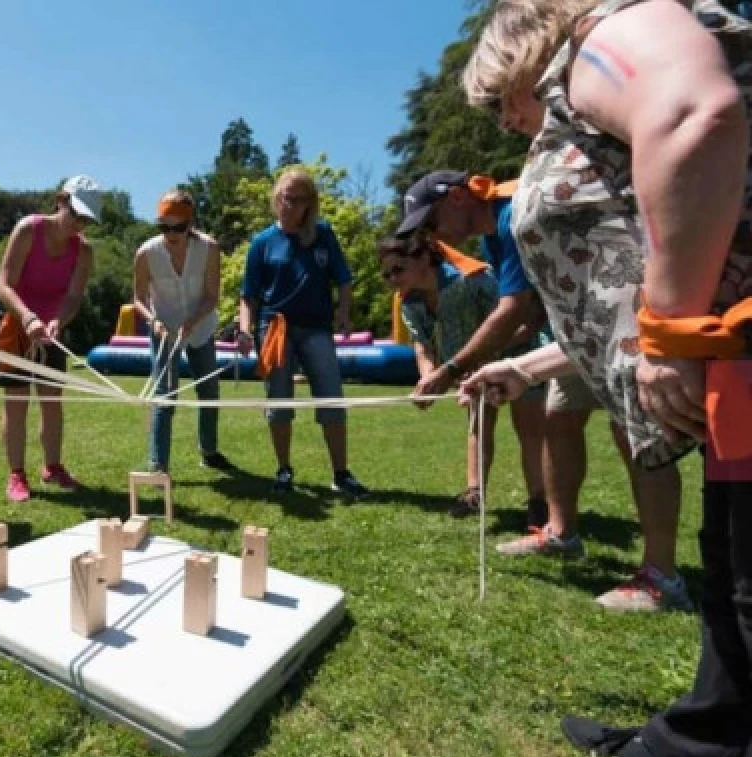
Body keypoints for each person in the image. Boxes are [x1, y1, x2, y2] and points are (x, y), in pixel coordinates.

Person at [462, 0, 752, 757]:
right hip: (729, 356)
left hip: (724, 339)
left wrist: (672, 332)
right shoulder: (582, 88)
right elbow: (623, 276)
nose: (502, 124)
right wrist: (527, 369)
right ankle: (701, 751)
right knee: (733, 570)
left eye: (497, 104)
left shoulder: (604, 39)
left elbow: (698, 114)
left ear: (519, 60)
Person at [396, 170, 550, 529]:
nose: (434, 235)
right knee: (483, 424)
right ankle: (478, 492)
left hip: (541, 344)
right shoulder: (490, 240)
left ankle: (541, 506)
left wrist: (452, 368)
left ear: (458, 197)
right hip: (496, 354)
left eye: (433, 221)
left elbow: (514, 311)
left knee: (543, 427)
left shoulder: (513, 214)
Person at [237, 167, 369, 498]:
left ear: (309, 203)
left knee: (331, 397)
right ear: (275, 198)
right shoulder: (262, 242)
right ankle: (283, 470)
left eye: (297, 200)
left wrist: (342, 312)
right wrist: (244, 330)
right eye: (284, 197)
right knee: (278, 401)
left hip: (317, 329)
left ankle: (341, 474)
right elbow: (249, 296)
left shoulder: (323, 234)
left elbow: (344, 278)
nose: (289, 205)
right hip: (275, 329)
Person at [0, 176, 99, 502]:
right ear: (60, 201)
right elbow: (4, 285)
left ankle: (53, 467)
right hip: (13, 316)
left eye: (86, 220)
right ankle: (17, 475)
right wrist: (28, 318)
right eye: (75, 215)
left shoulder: (84, 251)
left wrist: (56, 322)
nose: (78, 225)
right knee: (17, 399)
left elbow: (73, 298)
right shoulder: (28, 229)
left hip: (49, 325)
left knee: (52, 400)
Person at [379, 235, 501, 516]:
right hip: (461, 366)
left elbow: (506, 316)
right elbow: (422, 344)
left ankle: (539, 504)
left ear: (423, 258)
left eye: (398, 269)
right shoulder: (409, 301)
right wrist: (428, 379)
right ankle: (474, 494)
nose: (392, 279)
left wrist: (484, 359)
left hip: (509, 351)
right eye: (387, 274)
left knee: (530, 425)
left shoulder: (470, 279)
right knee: (479, 420)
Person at [132, 190, 233, 474]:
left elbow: (213, 295)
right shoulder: (146, 253)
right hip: (162, 327)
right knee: (165, 393)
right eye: (164, 226)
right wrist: (154, 322)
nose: (171, 233)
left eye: (178, 227)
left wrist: (194, 320)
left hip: (200, 327)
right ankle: (158, 463)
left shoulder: (210, 248)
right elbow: (138, 298)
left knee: (209, 388)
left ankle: (209, 452)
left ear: (191, 224)